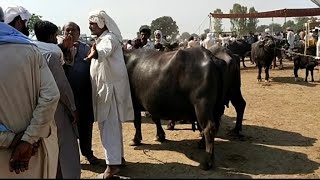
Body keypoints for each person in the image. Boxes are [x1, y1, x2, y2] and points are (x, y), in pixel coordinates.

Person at [0, 7, 60, 178]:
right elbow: (51, 96)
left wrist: (11, 140)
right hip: (32, 154)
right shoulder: (30, 51)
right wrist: (28, 139)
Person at [86, 10, 134, 178]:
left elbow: (105, 50)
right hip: (104, 90)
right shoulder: (100, 39)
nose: (90, 26)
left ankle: (112, 167)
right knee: (112, 127)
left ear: (101, 24)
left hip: (108, 91)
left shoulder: (109, 39)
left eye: (92, 23)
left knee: (108, 127)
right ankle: (118, 159)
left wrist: (96, 53)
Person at [33, 20, 81, 179]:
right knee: (65, 146)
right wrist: (73, 108)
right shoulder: (52, 55)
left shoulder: (30, 50)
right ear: (53, 36)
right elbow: (62, 86)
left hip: (34, 110)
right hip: (56, 108)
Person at [58, 21, 100, 165]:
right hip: (65, 98)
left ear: (78, 32)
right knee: (65, 128)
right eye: (67, 30)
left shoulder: (87, 48)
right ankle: (66, 159)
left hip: (84, 95)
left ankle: (88, 153)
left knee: (86, 127)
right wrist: (64, 48)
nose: (70, 33)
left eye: (73, 30)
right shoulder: (58, 49)